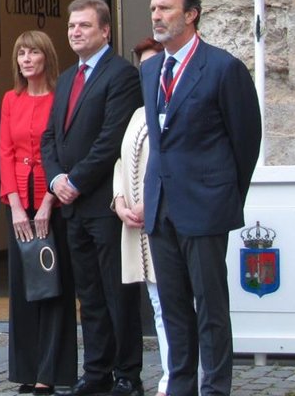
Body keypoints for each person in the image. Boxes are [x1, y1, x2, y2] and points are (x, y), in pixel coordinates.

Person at [142, 0, 261, 396]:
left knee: (210, 307)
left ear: (191, 14)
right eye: (154, 8)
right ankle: (181, 385)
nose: (156, 16)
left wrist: (224, 195)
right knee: (173, 307)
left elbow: (245, 140)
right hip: (161, 206)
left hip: (204, 205)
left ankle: (215, 388)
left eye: (166, 9)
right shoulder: (151, 68)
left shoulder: (222, 67)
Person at [41, 0, 143, 396]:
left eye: (84, 25)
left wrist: (76, 181)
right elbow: (51, 137)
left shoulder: (121, 76)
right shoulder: (66, 78)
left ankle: (127, 375)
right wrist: (55, 180)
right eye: (71, 26)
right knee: (90, 295)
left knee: (117, 293)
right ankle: (96, 371)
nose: (75, 32)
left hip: (103, 204)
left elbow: (111, 140)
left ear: (105, 30)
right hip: (72, 207)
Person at [0, 31, 77, 395]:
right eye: (21, 54)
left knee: (54, 287)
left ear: (47, 56)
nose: (26, 59)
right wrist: (14, 204)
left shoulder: (62, 97)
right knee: (24, 289)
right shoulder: (10, 100)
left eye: (32, 52)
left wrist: (49, 201)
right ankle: (26, 372)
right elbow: (4, 153)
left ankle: (50, 372)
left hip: (53, 202)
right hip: (19, 206)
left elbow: (64, 152)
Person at [113, 37, 167, 396]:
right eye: (143, 67)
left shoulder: (178, 108)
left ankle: (184, 374)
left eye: (155, 64)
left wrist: (155, 202)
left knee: (180, 303)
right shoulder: (136, 113)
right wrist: (119, 200)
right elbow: (120, 161)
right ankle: (170, 372)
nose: (148, 72)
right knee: (158, 304)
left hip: (166, 221)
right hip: (135, 224)